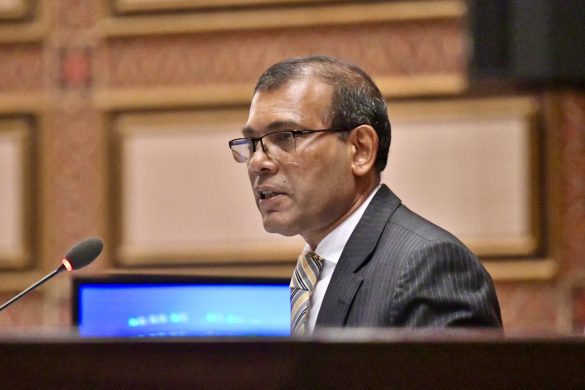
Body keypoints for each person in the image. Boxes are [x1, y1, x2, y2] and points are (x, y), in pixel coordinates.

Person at [228, 55, 502, 335]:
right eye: (252, 143)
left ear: (360, 150)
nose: (257, 162)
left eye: (285, 136)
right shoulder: (314, 269)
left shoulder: (429, 267)